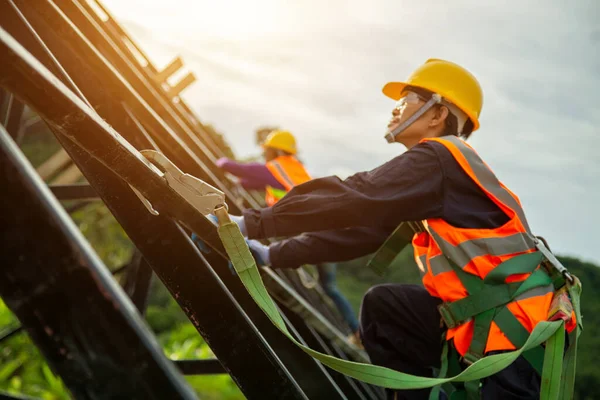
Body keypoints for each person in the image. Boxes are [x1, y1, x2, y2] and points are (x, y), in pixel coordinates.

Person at [226, 59, 575, 399]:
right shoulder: (436, 180)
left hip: (518, 331)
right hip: (487, 323)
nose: (395, 110)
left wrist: (249, 224)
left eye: (405, 101)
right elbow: (358, 233)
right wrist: (271, 253)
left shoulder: (438, 159)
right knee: (386, 307)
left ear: (437, 114)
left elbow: (353, 195)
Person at [213, 129, 361, 340]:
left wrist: (220, 162)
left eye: (266, 151)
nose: (264, 155)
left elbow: (231, 167)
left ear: (274, 151)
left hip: (308, 234)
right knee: (329, 287)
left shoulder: (275, 168)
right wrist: (241, 185)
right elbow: (256, 183)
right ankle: (357, 332)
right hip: (327, 231)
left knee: (267, 246)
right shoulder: (296, 170)